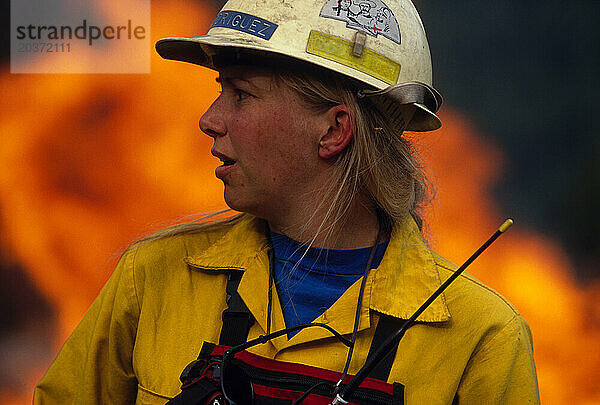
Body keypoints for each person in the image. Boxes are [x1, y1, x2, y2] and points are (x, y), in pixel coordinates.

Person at [33, 0, 540, 403]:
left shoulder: (481, 339)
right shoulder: (153, 279)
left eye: (242, 94)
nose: (210, 120)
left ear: (335, 129)